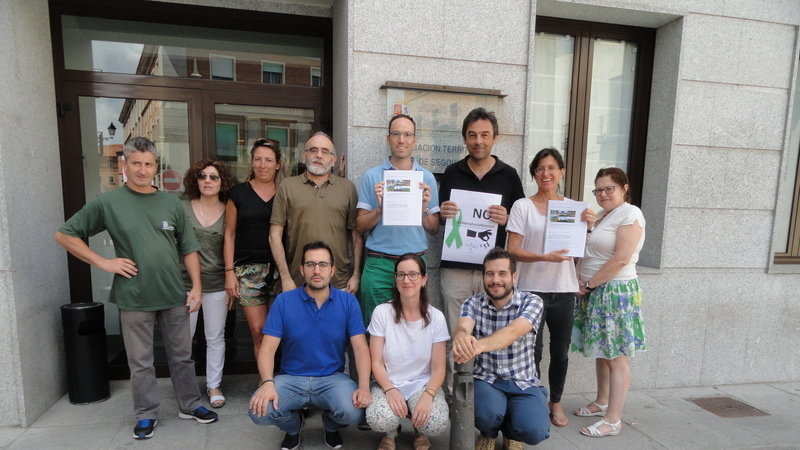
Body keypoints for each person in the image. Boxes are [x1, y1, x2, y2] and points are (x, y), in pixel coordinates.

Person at [54, 137, 218, 440]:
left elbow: (189, 248)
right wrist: (104, 262)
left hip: (173, 293)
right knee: (140, 362)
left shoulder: (171, 202)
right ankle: (146, 414)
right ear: (124, 164)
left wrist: (197, 286)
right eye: (136, 163)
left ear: (156, 166)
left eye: (148, 164)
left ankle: (190, 404)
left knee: (182, 356)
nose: (143, 170)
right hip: (134, 296)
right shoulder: (108, 203)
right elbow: (65, 235)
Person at [248, 241, 371, 450]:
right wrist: (267, 382)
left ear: (332, 270)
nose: (317, 270)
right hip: (291, 378)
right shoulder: (284, 301)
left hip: (332, 378)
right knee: (259, 411)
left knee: (355, 411)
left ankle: (330, 425)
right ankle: (293, 426)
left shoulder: (348, 302)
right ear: (301, 269)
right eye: (311, 264)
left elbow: (360, 349)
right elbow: (267, 349)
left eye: (323, 264)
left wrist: (364, 387)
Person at [506, 148, 595, 428]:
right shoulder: (522, 206)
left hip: (564, 289)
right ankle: (533, 399)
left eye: (552, 168)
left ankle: (555, 401)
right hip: (531, 290)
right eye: (540, 169)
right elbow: (512, 250)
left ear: (561, 172)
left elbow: (580, 249)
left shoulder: (573, 208)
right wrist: (544, 257)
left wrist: (588, 227)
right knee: (532, 350)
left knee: (561, 352)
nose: (546, 173)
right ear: (534, 174)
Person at [438, 107, 525, 389]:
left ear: (495, 138)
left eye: (485, 135)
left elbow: (522, 222)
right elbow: (439, 218)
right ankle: (456, 396)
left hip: (494, 273)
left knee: (494, 335)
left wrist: (507, 218)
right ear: (465, 138)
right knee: (457, 335)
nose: (478, 141)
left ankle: (489, 395)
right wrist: (444, 213)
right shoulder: (452, 172)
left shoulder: (509, 175)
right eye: (472, 135)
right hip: (456, 270)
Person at [571, 167, 646, 438]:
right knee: (602, 351)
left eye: (609, 188)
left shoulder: (630, 214)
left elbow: (621, 258)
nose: (602, 194)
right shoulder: (603, 216)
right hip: (595, 291)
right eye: (598, 189)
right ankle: (602, 402)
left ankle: (613, 420)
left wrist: (590, 284)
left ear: (624, 188)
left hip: (615, 291)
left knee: (616, 357)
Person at [452, 248, 549, 450]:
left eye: (502, 273)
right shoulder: (473, 302)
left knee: (534, 430)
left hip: (523, 382)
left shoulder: (532, 302)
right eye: (490, 274)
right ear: (483, 277)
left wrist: (477, 346)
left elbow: (513, 332)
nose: (495, 280)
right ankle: (488, 432)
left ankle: (512, 434)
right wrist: (461, 337)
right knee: (484, 414)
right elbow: (463, 326)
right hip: (487, 380)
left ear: (514, 276)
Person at [356, 114, 440, 324]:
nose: (401, 140)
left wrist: (423, 208)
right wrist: (380, 209)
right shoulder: (372, 176)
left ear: (414, 140)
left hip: (414, 264)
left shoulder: (426, 178)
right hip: (379, 264)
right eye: (396, 134)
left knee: (412, 326)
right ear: (388, 139)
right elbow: (360, 226)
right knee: (374, 327)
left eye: (407, 134)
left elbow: (433, 228)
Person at [366, 254, 450, 450]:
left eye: (413, 274)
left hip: (421, 383)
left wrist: (428, 395)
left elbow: (439, 369)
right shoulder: (382, 312)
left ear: (424, 279)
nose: (406, 280)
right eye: (401, 275)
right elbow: (376, 362)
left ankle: (420, 430)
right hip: (388, 382)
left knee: (436, 423)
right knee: (379, 419)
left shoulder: (436, 317)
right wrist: (390, 389)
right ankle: (390, 432)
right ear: (395, 279)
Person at [269, 132, 362, 293]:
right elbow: (274, 236)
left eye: (325, 151)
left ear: (333, 159)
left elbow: (356, 236)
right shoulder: (287, 186)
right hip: (297, 281)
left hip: (339, 282)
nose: (319, 155)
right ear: (304, 155)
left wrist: (356, 275)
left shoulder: (347, 188)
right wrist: (285, 277)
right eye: (313, 150)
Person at [224, 138, 284, 361]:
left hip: (281, 270)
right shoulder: (238, 193)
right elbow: (229, 234)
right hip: (248, 271)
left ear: (277, 164)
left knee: (282, 332)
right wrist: (229, 272)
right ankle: (265, 378)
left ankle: (283, 377)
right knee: (258, 332)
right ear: (251, 162)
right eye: (257, 159)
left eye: (268, 160)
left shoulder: (286, 192)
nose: (262, 165)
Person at [181, 158, 234, 408]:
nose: (207, 181)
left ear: (222, 182)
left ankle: (214, 385)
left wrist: (231, 279)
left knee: (215, 337)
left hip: (217, 283)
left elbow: (232, 245)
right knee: (183, 339)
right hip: (185, 284)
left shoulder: (229, 209)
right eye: (202, 176)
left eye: (214, 177)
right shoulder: (182, 207)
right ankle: (185, 388)